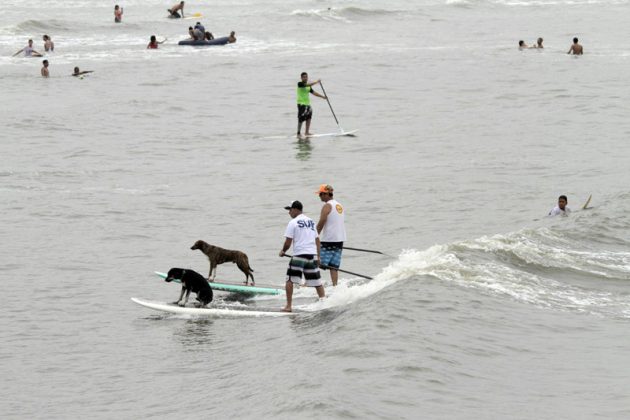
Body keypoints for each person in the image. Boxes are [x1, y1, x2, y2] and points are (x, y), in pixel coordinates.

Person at [279, 200, 325, 312]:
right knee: (317, 282)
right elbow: (317, 240)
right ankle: (324, 302)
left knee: (289, 280)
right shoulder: (311, 221)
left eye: (290, 210)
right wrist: (318, 257)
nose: (289, 212)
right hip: (312, 255)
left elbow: (288, 242)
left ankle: (288, 306)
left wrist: (283, 251)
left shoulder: (293, 223)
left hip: (299, 255)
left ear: (295, 209)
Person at [316, 184, 346, 287]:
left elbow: (322, 221)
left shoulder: (327, 205)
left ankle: (309, 283)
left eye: (320, 194)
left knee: (317, 261)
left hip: (329, 239)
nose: (319, 196)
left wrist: (314, 235)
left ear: (326, 194)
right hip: (340, 239)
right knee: (334, 266)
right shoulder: (339, 205)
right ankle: (335, 286)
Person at [296, 72, 327, 137]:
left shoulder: (308, 86)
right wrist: (316, 82)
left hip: (307, 104)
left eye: (306, 77)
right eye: (304, 77)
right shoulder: (300, 84)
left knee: (309, 117)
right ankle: (298, 133)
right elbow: (307, 85)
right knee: (301, 118)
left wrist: (323, 97)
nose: (305, 78)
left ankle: (306, 132)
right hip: (301, 104)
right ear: (301, 78)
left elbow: (314, 93)